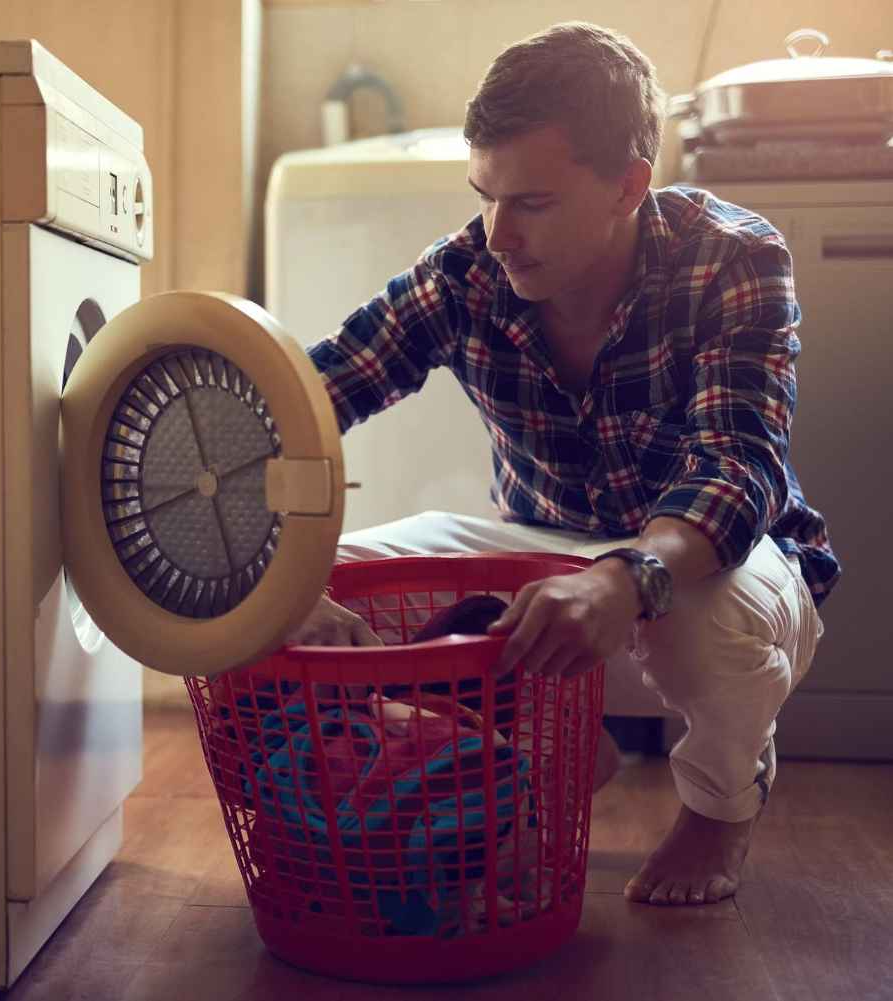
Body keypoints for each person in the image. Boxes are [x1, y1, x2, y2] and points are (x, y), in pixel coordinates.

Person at [284, 21, 836, 907]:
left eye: (532, 203)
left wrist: (625, 576)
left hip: (716, 566)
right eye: (484, 196)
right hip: (538, 553)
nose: (499, 233)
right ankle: (546, 746)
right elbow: (306, 399)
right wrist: (273, 562)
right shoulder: (465, 272)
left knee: (709, 620)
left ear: (629, 186)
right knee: (298, 584)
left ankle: (721, 806)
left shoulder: (734, 256)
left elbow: (740, 468)